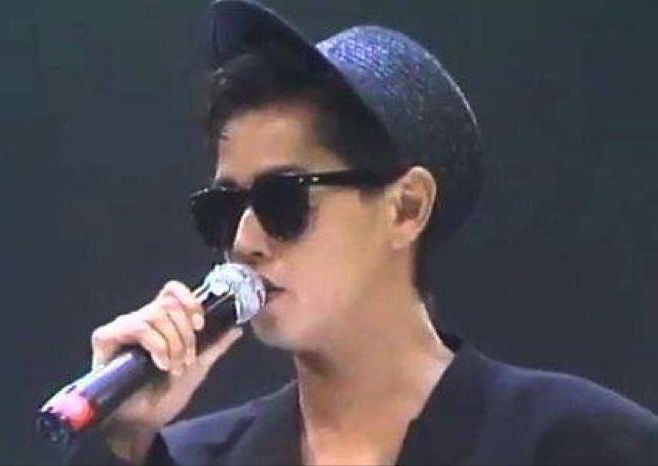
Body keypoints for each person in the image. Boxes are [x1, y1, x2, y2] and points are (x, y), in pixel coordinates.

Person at [66, 1, 658, 464]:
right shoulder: (189, 457)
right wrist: (124, 443)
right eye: (223, 208)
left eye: (283, 200)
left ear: (406, 208)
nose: (244, 240)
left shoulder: (582, 443)